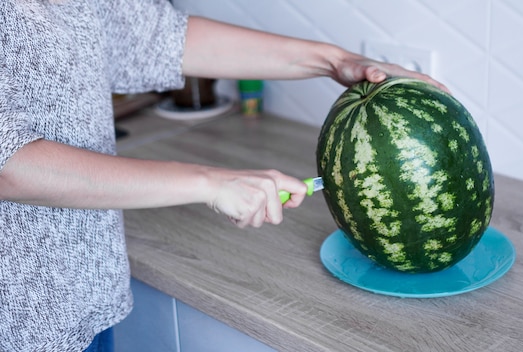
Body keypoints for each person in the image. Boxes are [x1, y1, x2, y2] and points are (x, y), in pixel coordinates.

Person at [0, 0, 448, 351]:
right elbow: (9, 166)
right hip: (17, 324)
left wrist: (335, 62)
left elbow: (164, 38)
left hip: (85, 299)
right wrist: (210, 182)